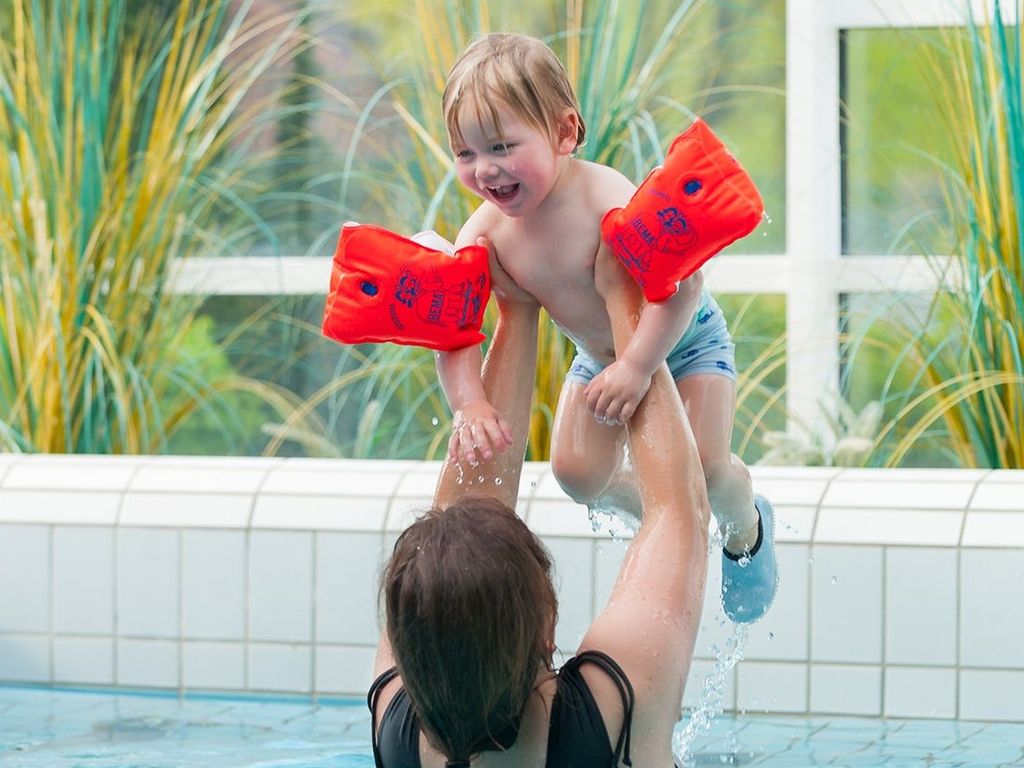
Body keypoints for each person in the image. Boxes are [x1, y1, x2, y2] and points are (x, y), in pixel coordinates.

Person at [434, 33, 776, 623]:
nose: (485, 169)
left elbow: (683, 286)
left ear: (565, 133)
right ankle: (668, 515)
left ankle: (745, 528)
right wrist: (469, 404)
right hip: (599, 354)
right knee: (576, 474)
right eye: (465, 154)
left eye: (501, 145)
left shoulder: (608, 201)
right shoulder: (485, 235)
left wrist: (639, 366)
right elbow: (455, 330)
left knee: (707, 466)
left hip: (683, 342)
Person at [368, 242, 710, 767]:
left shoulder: (395, 732)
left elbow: (467, 522)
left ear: (406, 655)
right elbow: (678, 509)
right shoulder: (611, 711)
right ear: (548, 628)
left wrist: (518, 310)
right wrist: (623, 304)